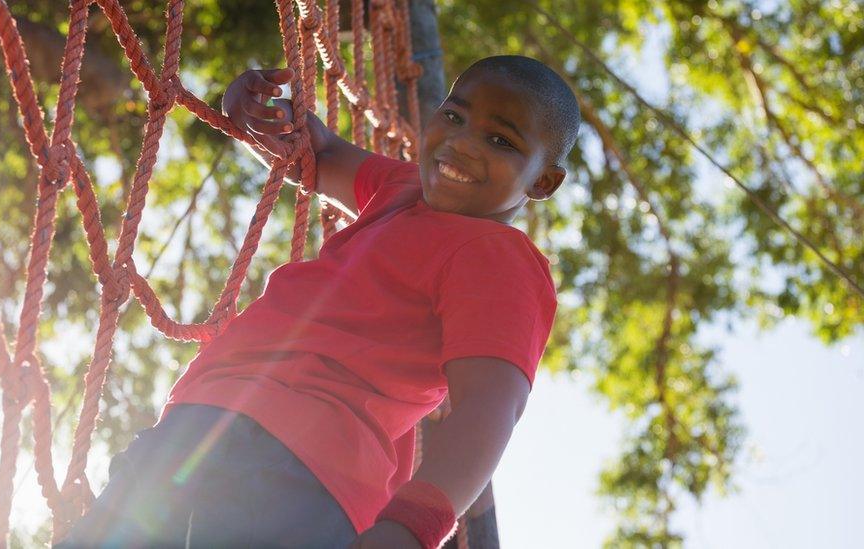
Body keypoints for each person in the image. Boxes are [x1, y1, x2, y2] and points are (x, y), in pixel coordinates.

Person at [58, 55, 580, 548]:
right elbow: (318, 156)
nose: (463, 143)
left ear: (544, 180)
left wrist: (411, 527)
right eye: (454, 115)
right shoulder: (402, 188)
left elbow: (491, 404)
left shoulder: (499, 256)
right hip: (193, 429)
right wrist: (263, 115)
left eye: (500, 140)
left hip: (299, 472)